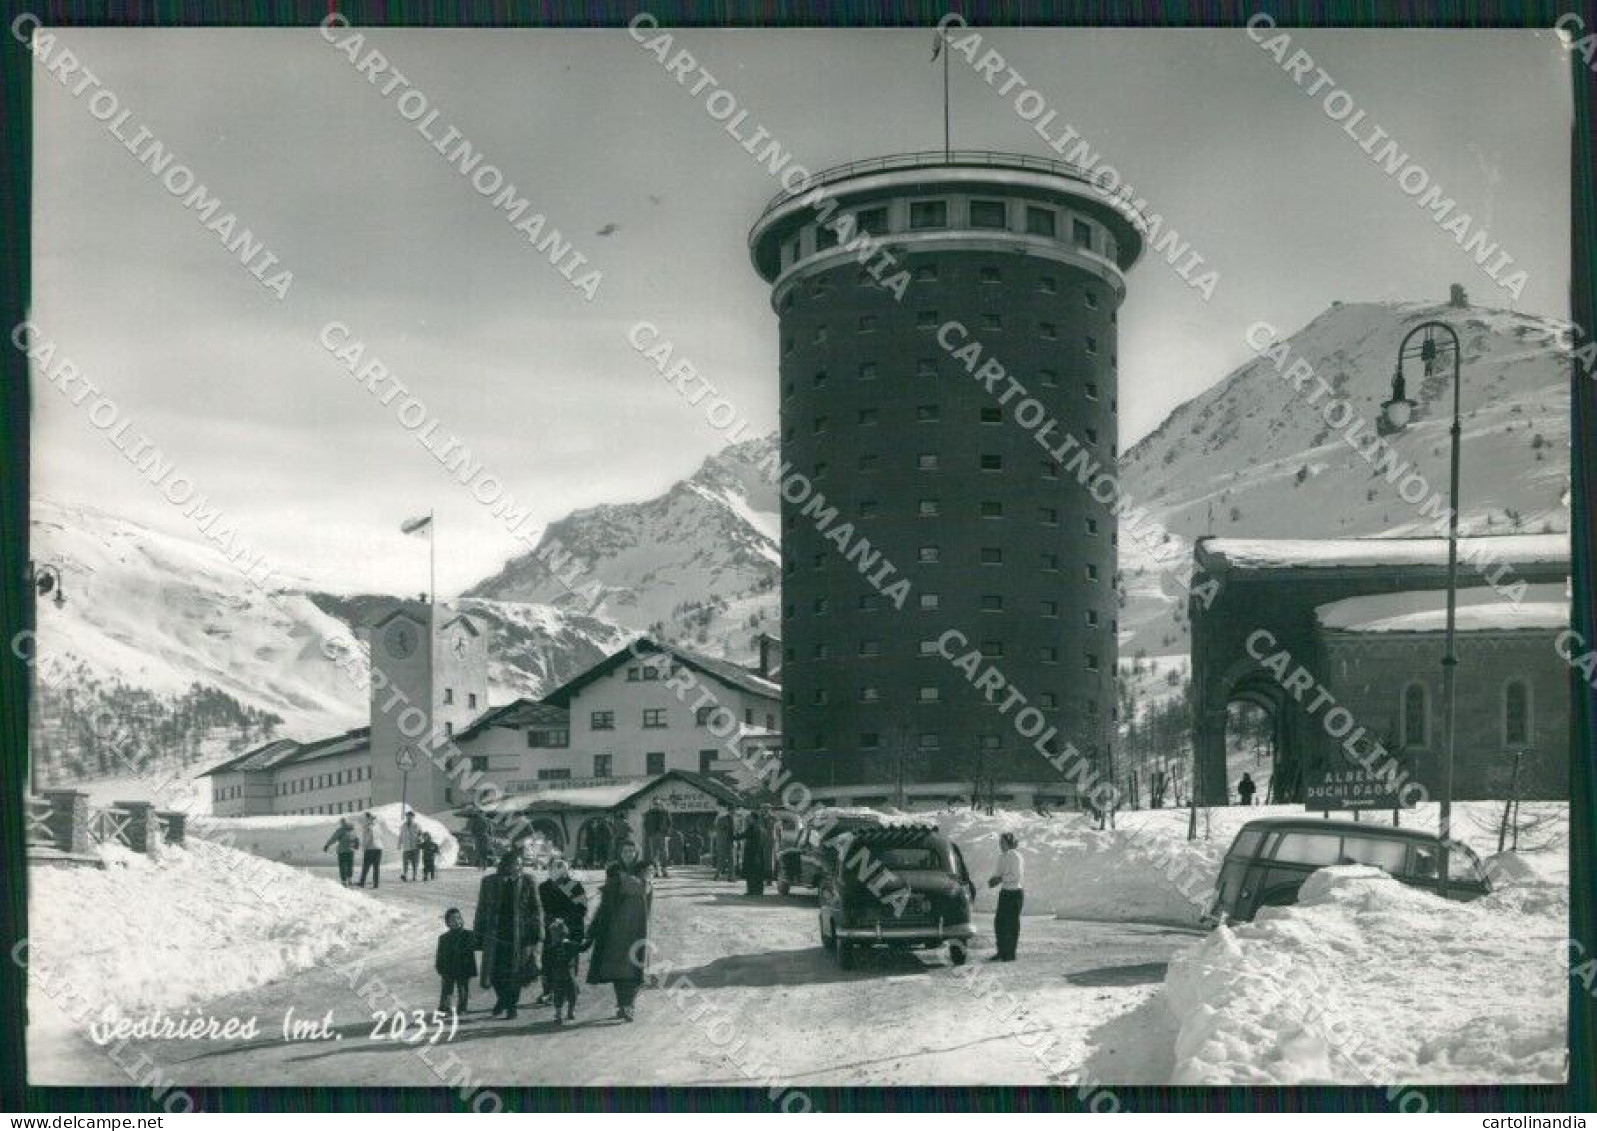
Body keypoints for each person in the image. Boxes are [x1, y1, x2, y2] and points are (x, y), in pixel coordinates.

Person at [472, 849, 543, 1020]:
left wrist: (537, 930)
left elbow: (536, 908)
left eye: (518, 865)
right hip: (495, 932)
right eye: (511, 864)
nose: (515, 868)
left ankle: (511, 1005)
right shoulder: (489, 882)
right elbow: (481, 908)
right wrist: (478, 932)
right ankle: (502, 999)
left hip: (519, 934)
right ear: (503, 865)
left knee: (515, 972)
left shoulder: (528, 881)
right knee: (495, 972)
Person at [585, 862, 650, 1022]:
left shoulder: (637, 880)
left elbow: (643, 889)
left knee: (628, 973)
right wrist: (592, 932)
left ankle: (627, 1006)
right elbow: (603, 908)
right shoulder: (621, 880)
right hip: (620, 935)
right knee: (623, 973)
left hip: (629, 935)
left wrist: (590, 934)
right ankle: (624, 1006)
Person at [536, 858, 588, 1005]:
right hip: (550, 929)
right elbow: (542, 908)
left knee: (569, 961)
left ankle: (569, 988)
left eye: (560, 868)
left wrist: (565, 921)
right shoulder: (543, 887)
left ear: (566, 871)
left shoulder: (573, 886)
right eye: (552, 868)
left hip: (571, 930)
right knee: (547, 960)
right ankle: (548, 991)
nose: (556, 871)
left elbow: (582, 909)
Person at [986, 832, 1025, 962]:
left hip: (1015, 893)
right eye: (1000, 842)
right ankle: (1001, 951)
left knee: (1012, 924)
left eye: (1003, 842)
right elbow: (998, 873)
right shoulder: (1001, 857)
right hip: (1005, 893)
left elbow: (1016, 876)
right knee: (1000, 923)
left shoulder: (1016, 856)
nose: (1000, 845)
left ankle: (1010, 953)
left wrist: (1001, 879)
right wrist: (994, 879)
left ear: (1009, 843)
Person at [434, 908, 477, 1015]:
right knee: (446, 989)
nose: (456, 921)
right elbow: (440, 954)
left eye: (458, 918)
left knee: (463, 989)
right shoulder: (443, 938)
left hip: (464, 967)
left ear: (462, 920)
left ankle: (462, 1008)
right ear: (447, 923)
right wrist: (439, 966)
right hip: (448, 968)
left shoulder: (468, 935)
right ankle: (444, 1007)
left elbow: (475, 945)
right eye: (452, 920)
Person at [543, 919, 582, 1023]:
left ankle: (566, 1011)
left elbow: (547, 964)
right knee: (568, 992)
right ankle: (563, 1012)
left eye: (555, 935)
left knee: (565, 992)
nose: (554, 937)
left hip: (563, 973)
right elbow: (547, 963)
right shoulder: (570, 945)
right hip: (565, 973)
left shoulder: (560, 947)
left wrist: (546, 975)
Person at [736, 806, 770, 897]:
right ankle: (759, 891)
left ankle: (751, 891)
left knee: (750, 873)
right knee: (759, 874)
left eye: (750, 818)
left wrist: (734, 834)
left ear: (753, 819)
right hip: (760, 854)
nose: (749, 819)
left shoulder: (752, 828)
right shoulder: (763, 829)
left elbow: (741, 836)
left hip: (751, 853)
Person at [322, 817, 358, 886]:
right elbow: (356, 839)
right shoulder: (353, 829)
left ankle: (344, 881)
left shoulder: (341, 830)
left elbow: (333, 838)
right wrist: (356, 845)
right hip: (351, 851)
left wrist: (327, 845)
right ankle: (349, 880)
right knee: (350, 865)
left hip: (342, 851)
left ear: (342, 823)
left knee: (342, 866)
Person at [643, 800, 672, 878]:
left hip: (662, 834)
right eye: (655, 804)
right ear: (652, 805)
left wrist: (667, 833)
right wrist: (648, 833)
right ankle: (655, 871)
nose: (656, 805)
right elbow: (645, 824)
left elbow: (669, 823)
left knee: (664, 853)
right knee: (653, 854)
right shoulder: (648, 813)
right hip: (652, 835)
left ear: (661, 804)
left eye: (658, 804)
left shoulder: (665, 813)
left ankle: (664, 870)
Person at [357, 811, 386, 888]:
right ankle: (376, 884)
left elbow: (370, 837)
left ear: (368, 818)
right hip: (379, 848)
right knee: (376, 867)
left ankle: (362, 882)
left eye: (366, 818)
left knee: (366, 866)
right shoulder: (378, 826)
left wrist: (365, 847)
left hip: (370, 848)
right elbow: (381, 836)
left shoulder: (368, 827)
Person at [712, 805, 734, 880]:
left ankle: (731, 876)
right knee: (721, 859)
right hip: (722, 841)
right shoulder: (722, 819)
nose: (733, 812)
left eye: (734, 810)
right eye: (731, 810)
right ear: (729, 810)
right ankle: (717, 875)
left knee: (731, 859)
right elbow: (717, 828)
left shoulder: (734, 819)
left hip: (730, 842)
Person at [398, 810, 420, 882]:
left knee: (415, 862)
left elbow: (420, 835)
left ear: (413, 817)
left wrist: (419, 839)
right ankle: (405, 875)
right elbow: (401, 835)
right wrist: (399, 844)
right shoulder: (403, 826)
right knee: (405, 862)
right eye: (408, 816)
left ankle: (414, 876)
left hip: (415, 847)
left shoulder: (416, 825)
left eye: (410, 816)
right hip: (406, 847)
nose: (409, 818)